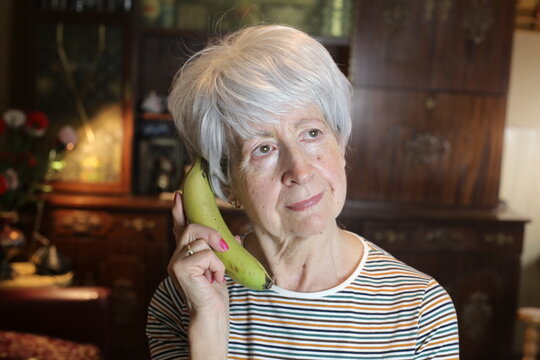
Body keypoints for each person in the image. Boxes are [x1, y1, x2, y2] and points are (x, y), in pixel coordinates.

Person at [146, 24, 459, 359]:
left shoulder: (420, 309)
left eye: (312, 133)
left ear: (340, 144)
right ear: (226, 183)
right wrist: (210, 328)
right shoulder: (184, 298)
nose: (300, 170)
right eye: (263, 149)